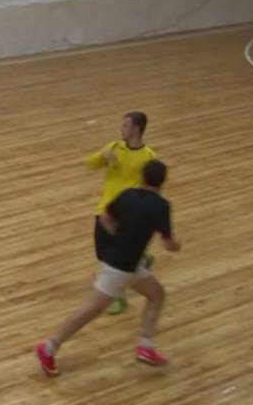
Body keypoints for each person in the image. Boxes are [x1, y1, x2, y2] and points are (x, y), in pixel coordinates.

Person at [36, 159, 181, 376]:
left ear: (142, 176)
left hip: (126, 264)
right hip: (121, 269)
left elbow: (105, 219)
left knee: (157, 294)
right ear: (162, 182)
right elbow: (169, 245)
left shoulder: (127, 195)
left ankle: (146, 346)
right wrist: (177, 245)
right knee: (91, 309)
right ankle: (49, 348)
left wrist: (120, 239)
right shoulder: (161, 206)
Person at [85, 111, 157, 316]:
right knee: (102, 254)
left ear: (136, 129)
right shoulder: (114, 147)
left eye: (125, 125)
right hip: (106, 211)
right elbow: (90, 163)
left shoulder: (149, 157)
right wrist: (103, 157)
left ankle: (118, 297)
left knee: (114, 259)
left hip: (128, 214)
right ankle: (142, 257)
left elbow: (152, 187)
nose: (122, 128)